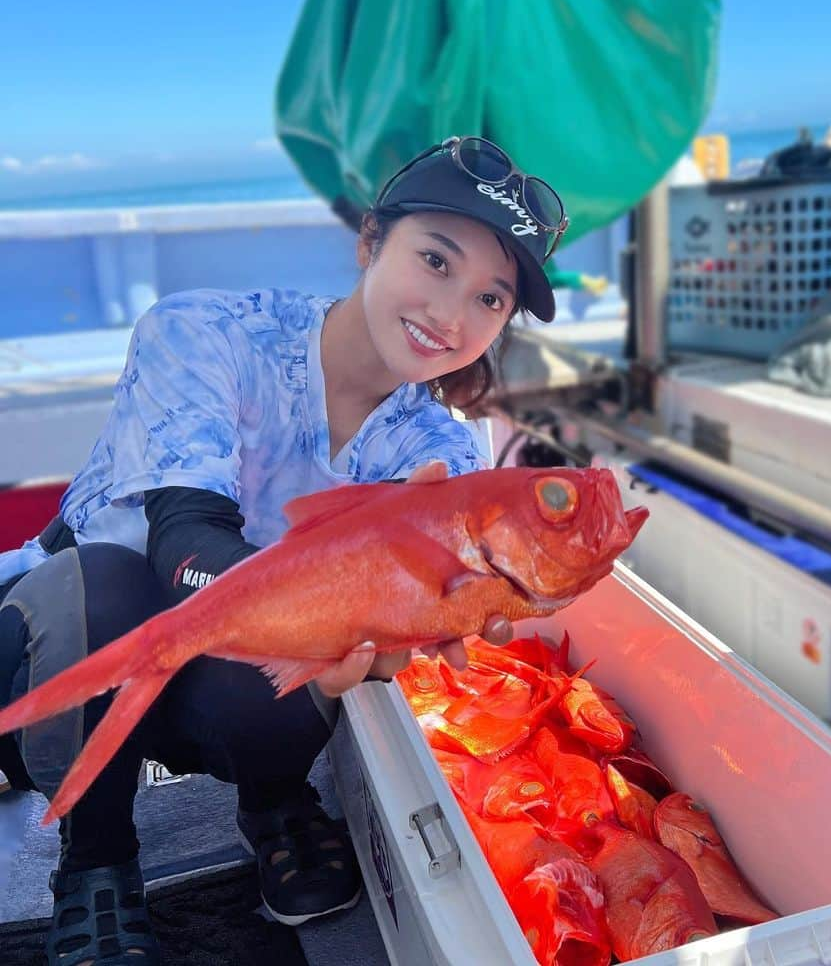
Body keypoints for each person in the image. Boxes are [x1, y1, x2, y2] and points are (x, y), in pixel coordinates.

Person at [0, 135, 567, 964]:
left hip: (213, 667)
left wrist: (398, 626)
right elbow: (182, 539)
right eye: (436, 261)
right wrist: (341, 606)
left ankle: (272, 801)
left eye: (490, 300)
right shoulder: (205, 332)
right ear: (370, 241)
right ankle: (96, 862)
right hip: (68, 631)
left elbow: (394, 622)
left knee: (328, 666)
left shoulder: (441, 454)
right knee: (108, 585)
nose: (452, 315)